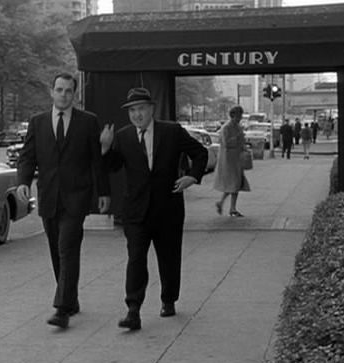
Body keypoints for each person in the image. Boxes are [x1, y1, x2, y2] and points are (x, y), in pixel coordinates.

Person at [100, 87, 208, 331]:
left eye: (141, 109)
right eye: (132, 111)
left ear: (151, 109)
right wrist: (105, 149)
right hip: (136, 211)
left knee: (169, 257)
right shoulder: (124, 136)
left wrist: (192, 176)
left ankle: (168, 299)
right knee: (136, 258)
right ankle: (133, 310)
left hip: (167, 207)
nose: (137, 114)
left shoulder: (171, 132)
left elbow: (200, 154)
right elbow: (113, 166)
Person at [16, 72, 110, 329]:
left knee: (68, 248)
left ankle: (61, 308)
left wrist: (103, 193)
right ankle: (71, 299)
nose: (64, 95)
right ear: (52, 92)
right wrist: (23, 182)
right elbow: (27, 157)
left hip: (77, 196)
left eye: (69, 91)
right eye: (59, 90)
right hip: (49, 197)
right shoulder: (38, 122)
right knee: (56, 252)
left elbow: (95, 161)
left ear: (75, 94)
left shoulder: (88, 122)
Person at [213, 105, 251, 217]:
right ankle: (228, 206)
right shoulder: (226, 128)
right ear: (233, 115)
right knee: (233, 183)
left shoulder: (238, 127)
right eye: (238, 115)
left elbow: (242, 141)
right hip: (228, 160)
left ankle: (229, 206)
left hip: (236, 159)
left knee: (236, 183)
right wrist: (237, 138)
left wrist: (244, 148)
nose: (240, 118)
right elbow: (226, 143)